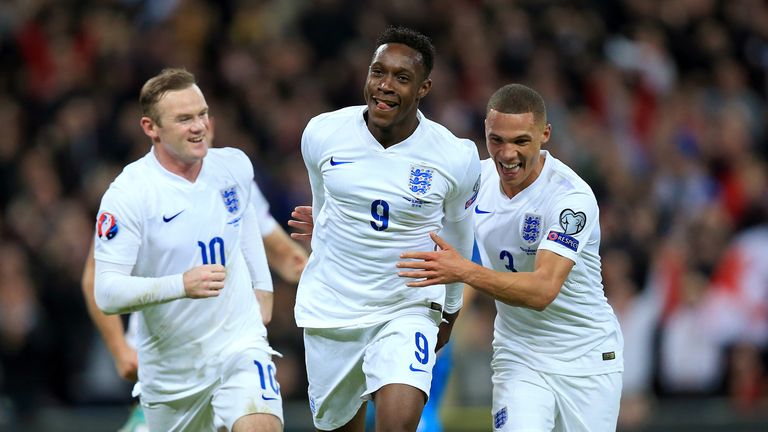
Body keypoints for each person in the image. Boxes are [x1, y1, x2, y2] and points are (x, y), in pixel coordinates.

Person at [396, 84, 624, 431]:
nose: (507, 154)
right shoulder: (476, 179)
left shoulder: (569, 198)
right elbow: (408, 217)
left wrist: (466, 272)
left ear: (545, 134)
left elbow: (543, 290)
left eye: (520, 141)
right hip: (519, 355)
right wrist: (333, 220)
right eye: (496, 140)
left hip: (586, 359)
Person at [291, 26, 481, 432]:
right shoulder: (322, 133)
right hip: (332, 309)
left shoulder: (454, 156)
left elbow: (458, 240)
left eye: (401, 77)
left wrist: (450, 309)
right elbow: (323, 203)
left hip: (406, 306)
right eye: (378, 72)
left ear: (424, 88)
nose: (385, 86)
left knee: (398, 423)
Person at [92, 67, 283, 432]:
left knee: (261, 425)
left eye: (202, 114)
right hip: (172, 369)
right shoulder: (129, 194)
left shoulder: (234, 166)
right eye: (184, 119)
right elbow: (106, 291)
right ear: (151, 128)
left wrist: (263, 286)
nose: (199, 126)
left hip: (238, 343)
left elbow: (242, 221)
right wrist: (181, 284)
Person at [81, 180, 307, 431]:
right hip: (167, 367)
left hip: (229, 354)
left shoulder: (235, 182)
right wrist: (120, 350)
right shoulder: (137, 188)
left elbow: (286, 256)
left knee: (258, 422)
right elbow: (97, 277)